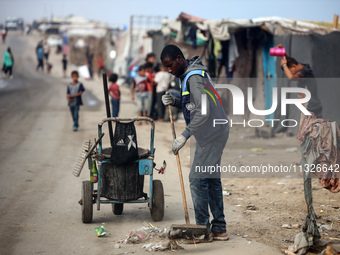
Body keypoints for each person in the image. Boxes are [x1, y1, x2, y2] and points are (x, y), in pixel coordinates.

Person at [161, 44, 229, 241]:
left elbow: (204, 111)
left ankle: (202, 230)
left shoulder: (194, 77)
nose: (169, 70)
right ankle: (219, 228)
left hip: (212, 133)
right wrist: (175, 102)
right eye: (166, 67)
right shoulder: (188, 76)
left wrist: (184, 135)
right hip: (213, 131)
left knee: (197, 179)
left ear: (180, 59)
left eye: (170, 65)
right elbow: (194, 105)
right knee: (210, 179)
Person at [277, 44, 323, 118]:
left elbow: (291, 77)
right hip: (308, 109)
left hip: (312, 109)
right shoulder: (300, 67)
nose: (293, 74)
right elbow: (291, 62)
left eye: (291, 72)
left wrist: (284, 65)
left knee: (313, 129)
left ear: (293, 67)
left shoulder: (305, 71)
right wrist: (283, 53)